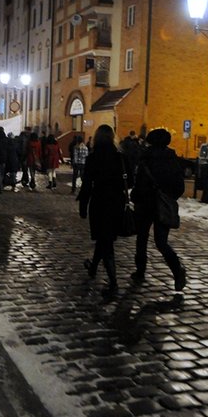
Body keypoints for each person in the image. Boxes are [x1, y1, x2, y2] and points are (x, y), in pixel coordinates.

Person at [130, 129, 187, 293]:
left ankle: (140, 271)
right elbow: (179, 186)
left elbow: (139, 182)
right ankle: (177, 270)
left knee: (142, 238)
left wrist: (137, 197)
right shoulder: (172, 158)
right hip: (162, 205)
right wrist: (169, 197)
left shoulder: (146, 157)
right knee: (161, 242)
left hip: (145, 204)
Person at [77, 124, 128, 294]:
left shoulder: (93, 157)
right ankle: (93, 267)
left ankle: (113, 281)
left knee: (105, 241)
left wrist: (83, 205)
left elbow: (86, 184)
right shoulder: (119, 157)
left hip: (99, 202)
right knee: (104, 238)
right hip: (116, 203)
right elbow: (129, 181)